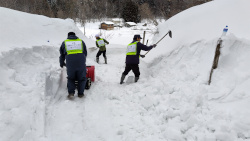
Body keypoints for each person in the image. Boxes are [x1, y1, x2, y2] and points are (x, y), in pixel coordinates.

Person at [59, 32, 87, 99]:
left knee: (71, 78)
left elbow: (62, 55)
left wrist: (61, 63)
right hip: (81, 62)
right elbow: (85, 52)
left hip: (70, 62)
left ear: (68, 36)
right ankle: (80, 93)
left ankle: (71, 93)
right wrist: (82, 59)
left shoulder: (64, 42)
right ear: (75, 35)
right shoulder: (81, 41)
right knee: (82, 78)